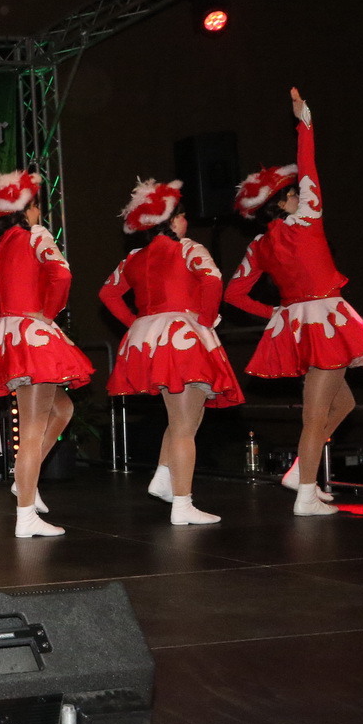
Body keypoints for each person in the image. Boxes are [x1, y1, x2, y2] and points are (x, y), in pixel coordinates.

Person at [224, 88, 363, 515]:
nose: (298, 195)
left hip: (298, 323)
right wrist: (305, 123)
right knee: (315, 414)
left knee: (344, 403)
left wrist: (276, 313)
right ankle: (304, 492)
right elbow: (309, 168)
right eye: (292, 193)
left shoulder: (259, 246)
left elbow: (233, 294)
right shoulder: (307, 220)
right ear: (284, 202)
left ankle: (300, 472)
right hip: (325, 319)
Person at [0, 170, 94, 538]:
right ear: (24, 210)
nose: (38, 214)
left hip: (8, 336)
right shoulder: (37, 236)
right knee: (32, 429)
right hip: (33, 335)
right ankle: (26, 514)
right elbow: (61, 275)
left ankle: (24, 483)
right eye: (35, 207)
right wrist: (47, 314)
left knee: (62, 409)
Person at [99, 179, 244, 525]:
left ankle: (164, 478)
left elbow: (107, 294)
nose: (186, 222)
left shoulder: (134, 258)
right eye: (182, 216)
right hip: (182, 336)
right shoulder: (187, 248)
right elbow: (212, 279)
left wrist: (135, 323)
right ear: (171, 219)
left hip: (149, 339)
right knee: (183, 424)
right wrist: (205, 319)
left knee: (186, 417)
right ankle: (182, 503)